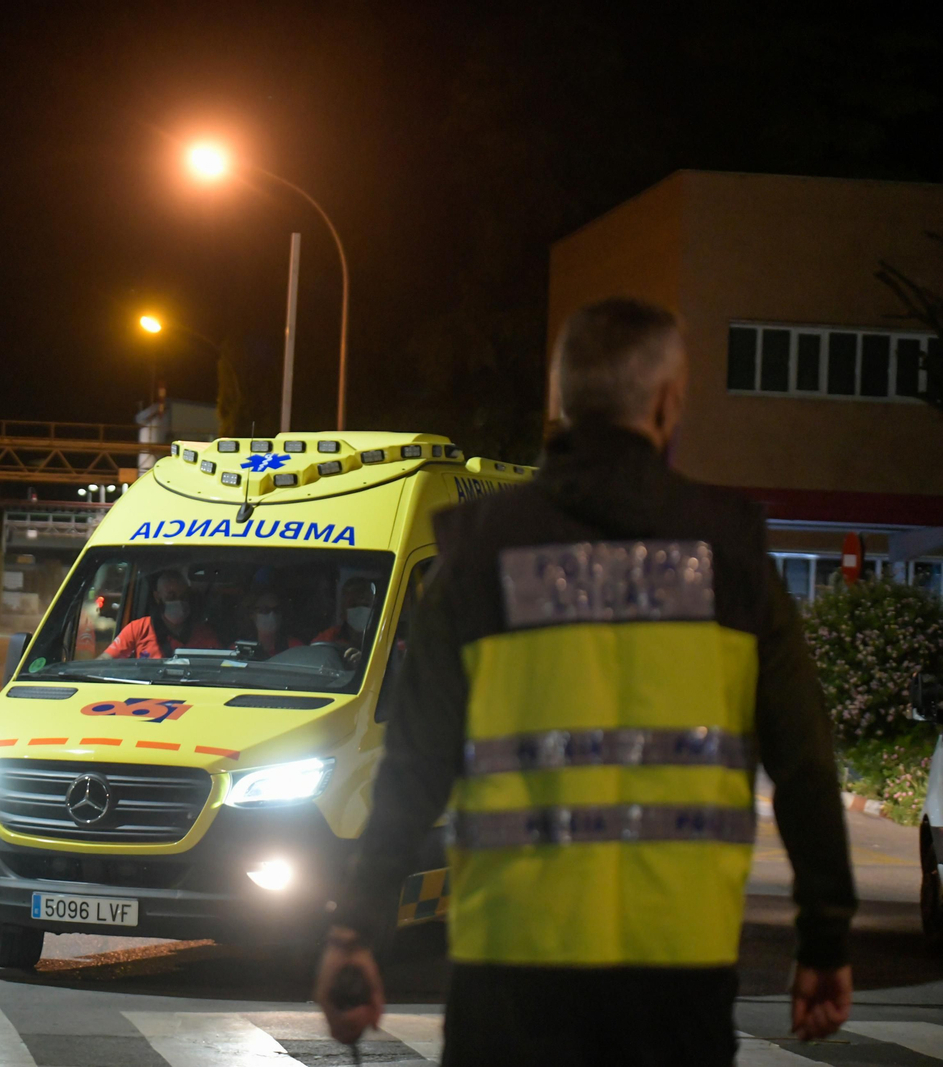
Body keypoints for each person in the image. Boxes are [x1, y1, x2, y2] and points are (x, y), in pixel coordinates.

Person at [315, 298, 858, 1065]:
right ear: (668, 402)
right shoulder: (732, 556)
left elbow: (412, 767)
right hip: (678, 978)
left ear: (559, 402)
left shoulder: (479, 553)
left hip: (509, 976)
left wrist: (355, 930)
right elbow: (805, 763)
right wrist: (825, 938)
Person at [100, 571, 218, 659]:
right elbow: (106, 660)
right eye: (171, 596)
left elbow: (221, 666)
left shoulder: (204, 634)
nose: (179, 602)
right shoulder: (138, 629)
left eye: (183, 597)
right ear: (157, 597)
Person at [310, 576, 377, 651]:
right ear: (343, 611)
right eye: (353, 605)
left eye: (366, 605)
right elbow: (312, 652)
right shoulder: (329, 637)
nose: (360, 610)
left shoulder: (381, 637)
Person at [246, 587, 302, 658]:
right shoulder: (238, 648)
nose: (272, 614)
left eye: (276, 610)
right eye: (264, 610)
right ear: (251, 614)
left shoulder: (295, 647)